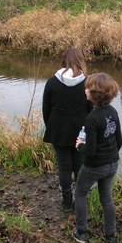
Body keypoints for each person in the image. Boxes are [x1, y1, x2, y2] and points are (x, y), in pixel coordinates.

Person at [73, 72, 122, 243]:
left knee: (80, 194)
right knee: (107, 198)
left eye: (87, 87)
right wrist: (109, 156)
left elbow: (91, 152)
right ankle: (110, 236)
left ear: (94, 94)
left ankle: (82, 233)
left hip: (94, 166)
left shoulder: (92, 118)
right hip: (112, 164)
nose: (85, 89)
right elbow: (119, 141)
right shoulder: (113, 111)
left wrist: (80, 146)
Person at [42, 47, 92, 213]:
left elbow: (46, 109)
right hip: (81, 131)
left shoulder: (52, 82)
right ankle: (81, 200)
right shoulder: (87, 83)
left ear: (64, 60)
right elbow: (92, 109)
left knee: (64, 167)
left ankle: (66, 202)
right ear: (80, 60)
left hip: (58, 130)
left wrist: (51, 126)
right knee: (79, 166)